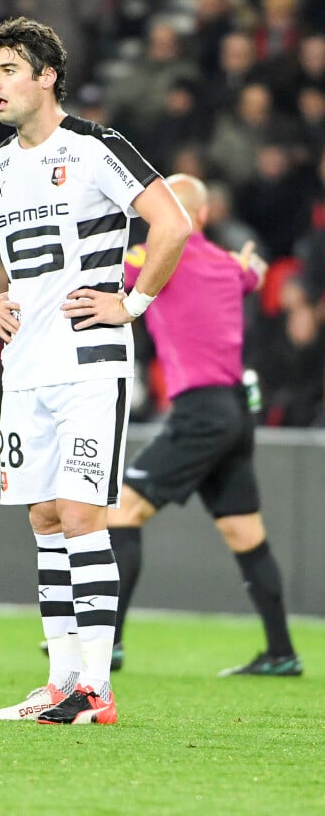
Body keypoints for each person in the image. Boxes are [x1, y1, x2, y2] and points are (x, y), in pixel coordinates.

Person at [0, 15, 191, 725]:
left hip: (89, 362)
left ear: (47, 76)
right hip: (25, 368)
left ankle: (97, 689)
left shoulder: (95, 147)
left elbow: (171, 224)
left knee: (82, 513)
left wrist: (132, 303)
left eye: (9, 70)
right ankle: (59, 682)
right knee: (46, 518)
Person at [104, 173, 302, 677]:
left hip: (199, 411)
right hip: (237, 412)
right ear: (208, 215)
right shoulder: (228, 266)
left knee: (121, 514)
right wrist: (251, 263)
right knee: (245, 534)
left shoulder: (153, 257)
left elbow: (109, 274)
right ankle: (281, 653)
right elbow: (253, 274)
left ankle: (109, 645)